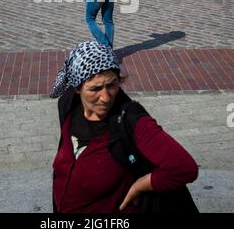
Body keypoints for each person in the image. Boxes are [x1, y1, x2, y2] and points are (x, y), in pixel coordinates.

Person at [51, 41, 199, 213]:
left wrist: (141, 185)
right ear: (77, 89)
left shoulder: (130, 120)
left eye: (112, 85)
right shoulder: (68, 105)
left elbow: (184, 168)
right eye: (95, 89)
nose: (105, 98)